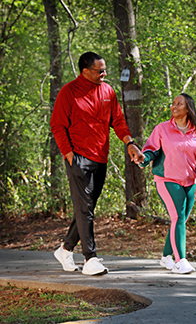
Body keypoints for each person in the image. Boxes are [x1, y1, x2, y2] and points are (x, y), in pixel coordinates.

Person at [50, 51, 144, 276]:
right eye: (99, 71)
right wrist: (69, 154)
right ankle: (90, 258)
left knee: (88, 208)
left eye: (105, 70)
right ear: (85, 71)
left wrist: (130, 143)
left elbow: (118, 121)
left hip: (100, 157)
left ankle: (65, 249)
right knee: (85, 208)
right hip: (78, 157)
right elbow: (57, 125)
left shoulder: (107, 91)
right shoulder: (69, 92)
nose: (104, 74)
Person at [136, 93, 196, 274]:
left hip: (190, 182)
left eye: (179, 104)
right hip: (167, 179)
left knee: (180, 219)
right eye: (173, 103)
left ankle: (167, 256)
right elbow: (151, 150)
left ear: (188, 108)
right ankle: (180, 260)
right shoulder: (162, 129)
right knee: (178, 218)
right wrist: (144, 158)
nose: (174, 107)